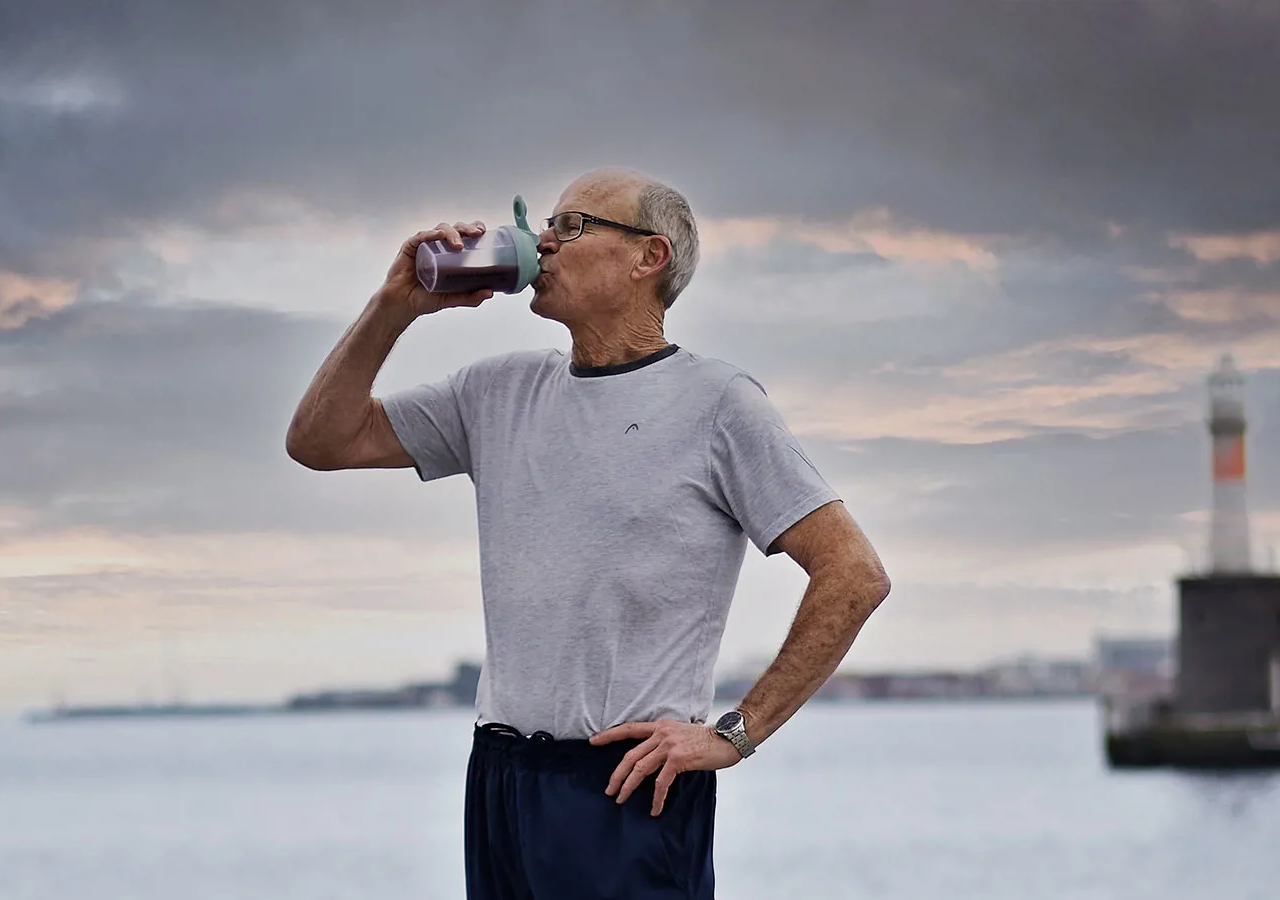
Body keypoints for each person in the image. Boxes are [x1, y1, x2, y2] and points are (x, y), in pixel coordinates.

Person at [285, 167, 891, 899]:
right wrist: (394, 306)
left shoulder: (718, 404)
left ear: (649, 258)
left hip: (627, 789)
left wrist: (736, 733)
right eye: (545, 223)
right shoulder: (496, 390)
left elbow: (854, 573)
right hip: (502, 779)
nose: (543, 242)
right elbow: (321, 442)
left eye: (572, 227)